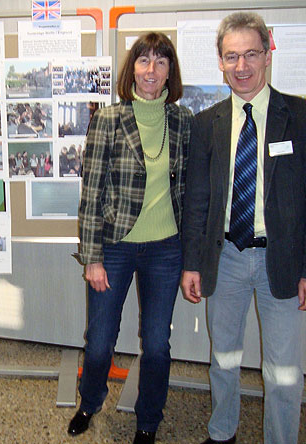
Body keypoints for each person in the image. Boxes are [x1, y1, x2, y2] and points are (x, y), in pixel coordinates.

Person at [180, 12, 306, 444]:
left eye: (250, 54)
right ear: (221, 61)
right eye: (232, 56)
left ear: (268, 53)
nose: (242, 66)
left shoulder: (304, 117)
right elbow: (197, 202)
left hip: (280, 260)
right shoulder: (206, 124)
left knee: (283, 371)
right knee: (223, 358)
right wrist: (192, 263)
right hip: (225, 257)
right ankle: (222, 431)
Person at [70, 32, 193, 444]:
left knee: (157, 344)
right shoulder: (108, 119)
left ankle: (148, 421)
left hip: (166, 249)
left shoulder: (183, 122)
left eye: (161, 61)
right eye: (144, 60)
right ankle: (90, 402)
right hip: (115, 247)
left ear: (170, 71)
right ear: (132, 69)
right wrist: (92, 257)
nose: (151, 70)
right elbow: (91, 193)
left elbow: (190, 189)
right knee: (100, 340)